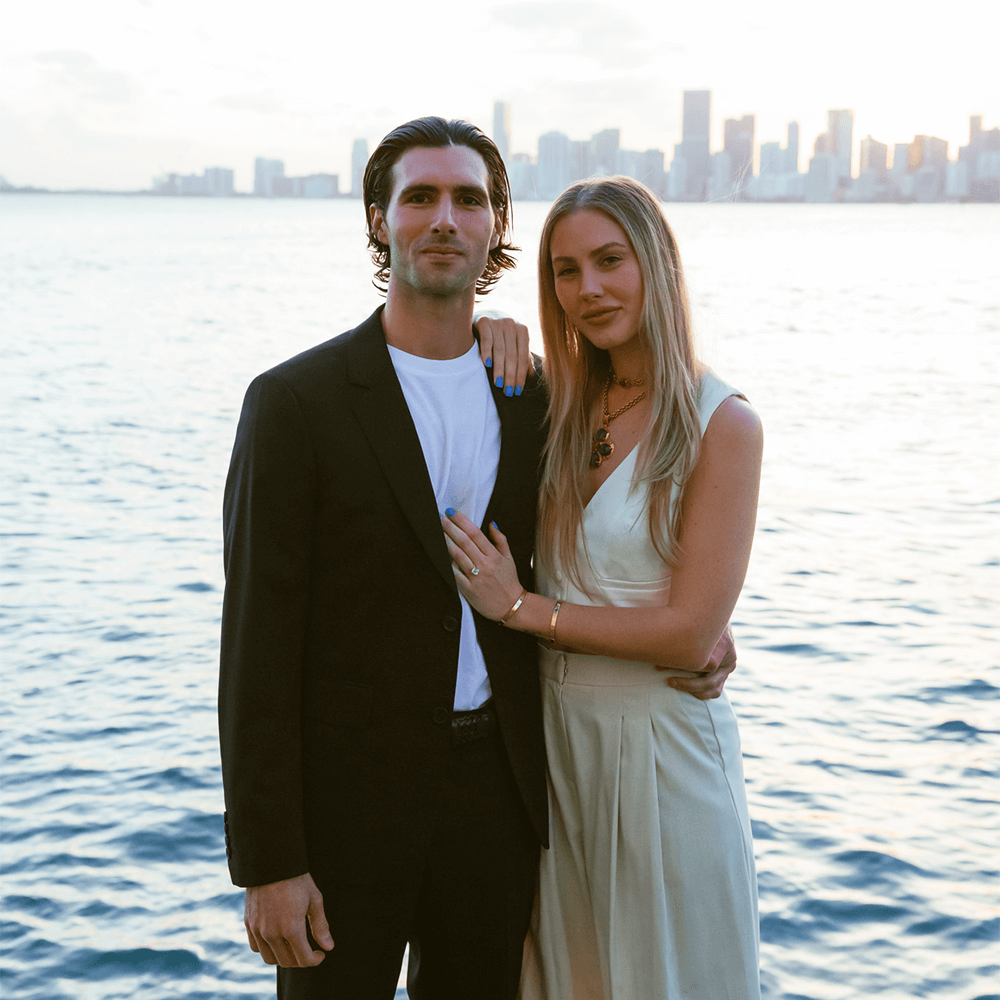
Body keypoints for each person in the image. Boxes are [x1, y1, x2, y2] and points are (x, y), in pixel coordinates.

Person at [219, 117, 737, 1000]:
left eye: (469, 199)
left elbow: (609, 539)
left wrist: (704, 633)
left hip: (501, 803)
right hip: (350, 814)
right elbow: (256, 648)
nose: (444, 219)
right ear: (380, 220)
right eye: (418, 197)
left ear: (497, 226)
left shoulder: (539, 397)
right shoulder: (294, 403)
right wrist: (269, 863)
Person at [443, 176, 762, 998]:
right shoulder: (556, 404)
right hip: (551, 754)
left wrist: (518, 608)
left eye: (610, 260)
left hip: (660, 755)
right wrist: (491, 325)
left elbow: (691, 633)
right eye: (565, 270)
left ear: (657, 261)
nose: (589, 289)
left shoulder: (722, 424)